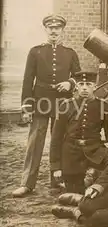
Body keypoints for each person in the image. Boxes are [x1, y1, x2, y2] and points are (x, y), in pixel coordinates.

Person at [12, 14, 81, 197]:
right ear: (45, 30)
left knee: (60, 141)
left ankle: (57, 182)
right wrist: (27, 107)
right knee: (35, 142)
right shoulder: (36, 52)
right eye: (50, 28)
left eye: (57, 28)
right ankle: (27, 183)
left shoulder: (70, 53)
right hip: (40, 101)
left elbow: (79, 76)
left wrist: (70, 84)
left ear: (62, 30)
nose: (53, 31)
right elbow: (28, 80)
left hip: (62, 102)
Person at [49, 71, 108, 194]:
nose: (84, 87)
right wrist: (56, 167)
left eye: (88, 84)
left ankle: (96, 179)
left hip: (95, 150)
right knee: (75, 193)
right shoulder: (66, 106)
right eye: (81, 84)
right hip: (71, 154)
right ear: (76, 87)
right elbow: (56, 139)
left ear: (94, 86)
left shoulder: (103, 105)